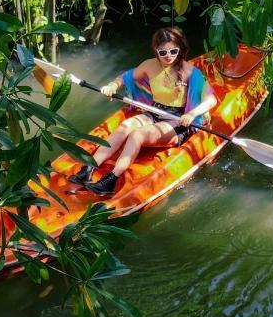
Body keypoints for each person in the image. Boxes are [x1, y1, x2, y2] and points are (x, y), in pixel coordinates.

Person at [69, 28, 217, 196]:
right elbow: (126, 77)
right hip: (154, 111)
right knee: (125, 127)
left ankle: (111, 181)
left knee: (137, 135)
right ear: (156, 51)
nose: (168, 55)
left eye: (173, 51)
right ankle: (89, 168)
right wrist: (112, 86)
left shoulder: (191, 72)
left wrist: (191, 114)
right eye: (163, 52)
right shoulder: (149, 65)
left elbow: (211, 99)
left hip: (177, 121)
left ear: (180, 49)